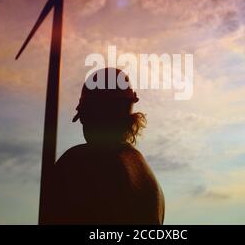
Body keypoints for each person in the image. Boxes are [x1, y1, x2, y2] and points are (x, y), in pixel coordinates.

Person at [47, 68, 165, 224]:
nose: (83, 124)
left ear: (92, 114)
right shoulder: (148, 178)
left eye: (83, 117)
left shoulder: (77, 162)